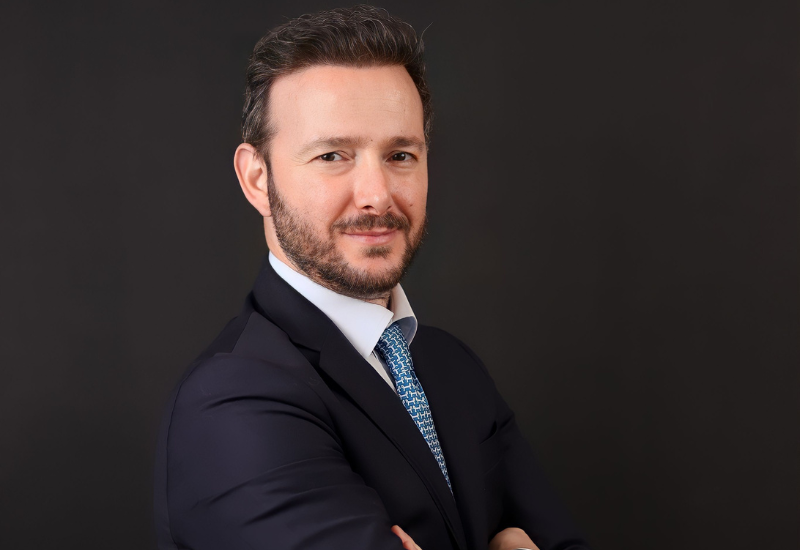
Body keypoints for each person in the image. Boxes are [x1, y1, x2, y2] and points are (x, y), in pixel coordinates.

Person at [154, 6, 591, 550]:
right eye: (333, 155)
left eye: (400, 154)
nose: (377, 195)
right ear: (258, 179)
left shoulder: (451, 367)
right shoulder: (232, 403)